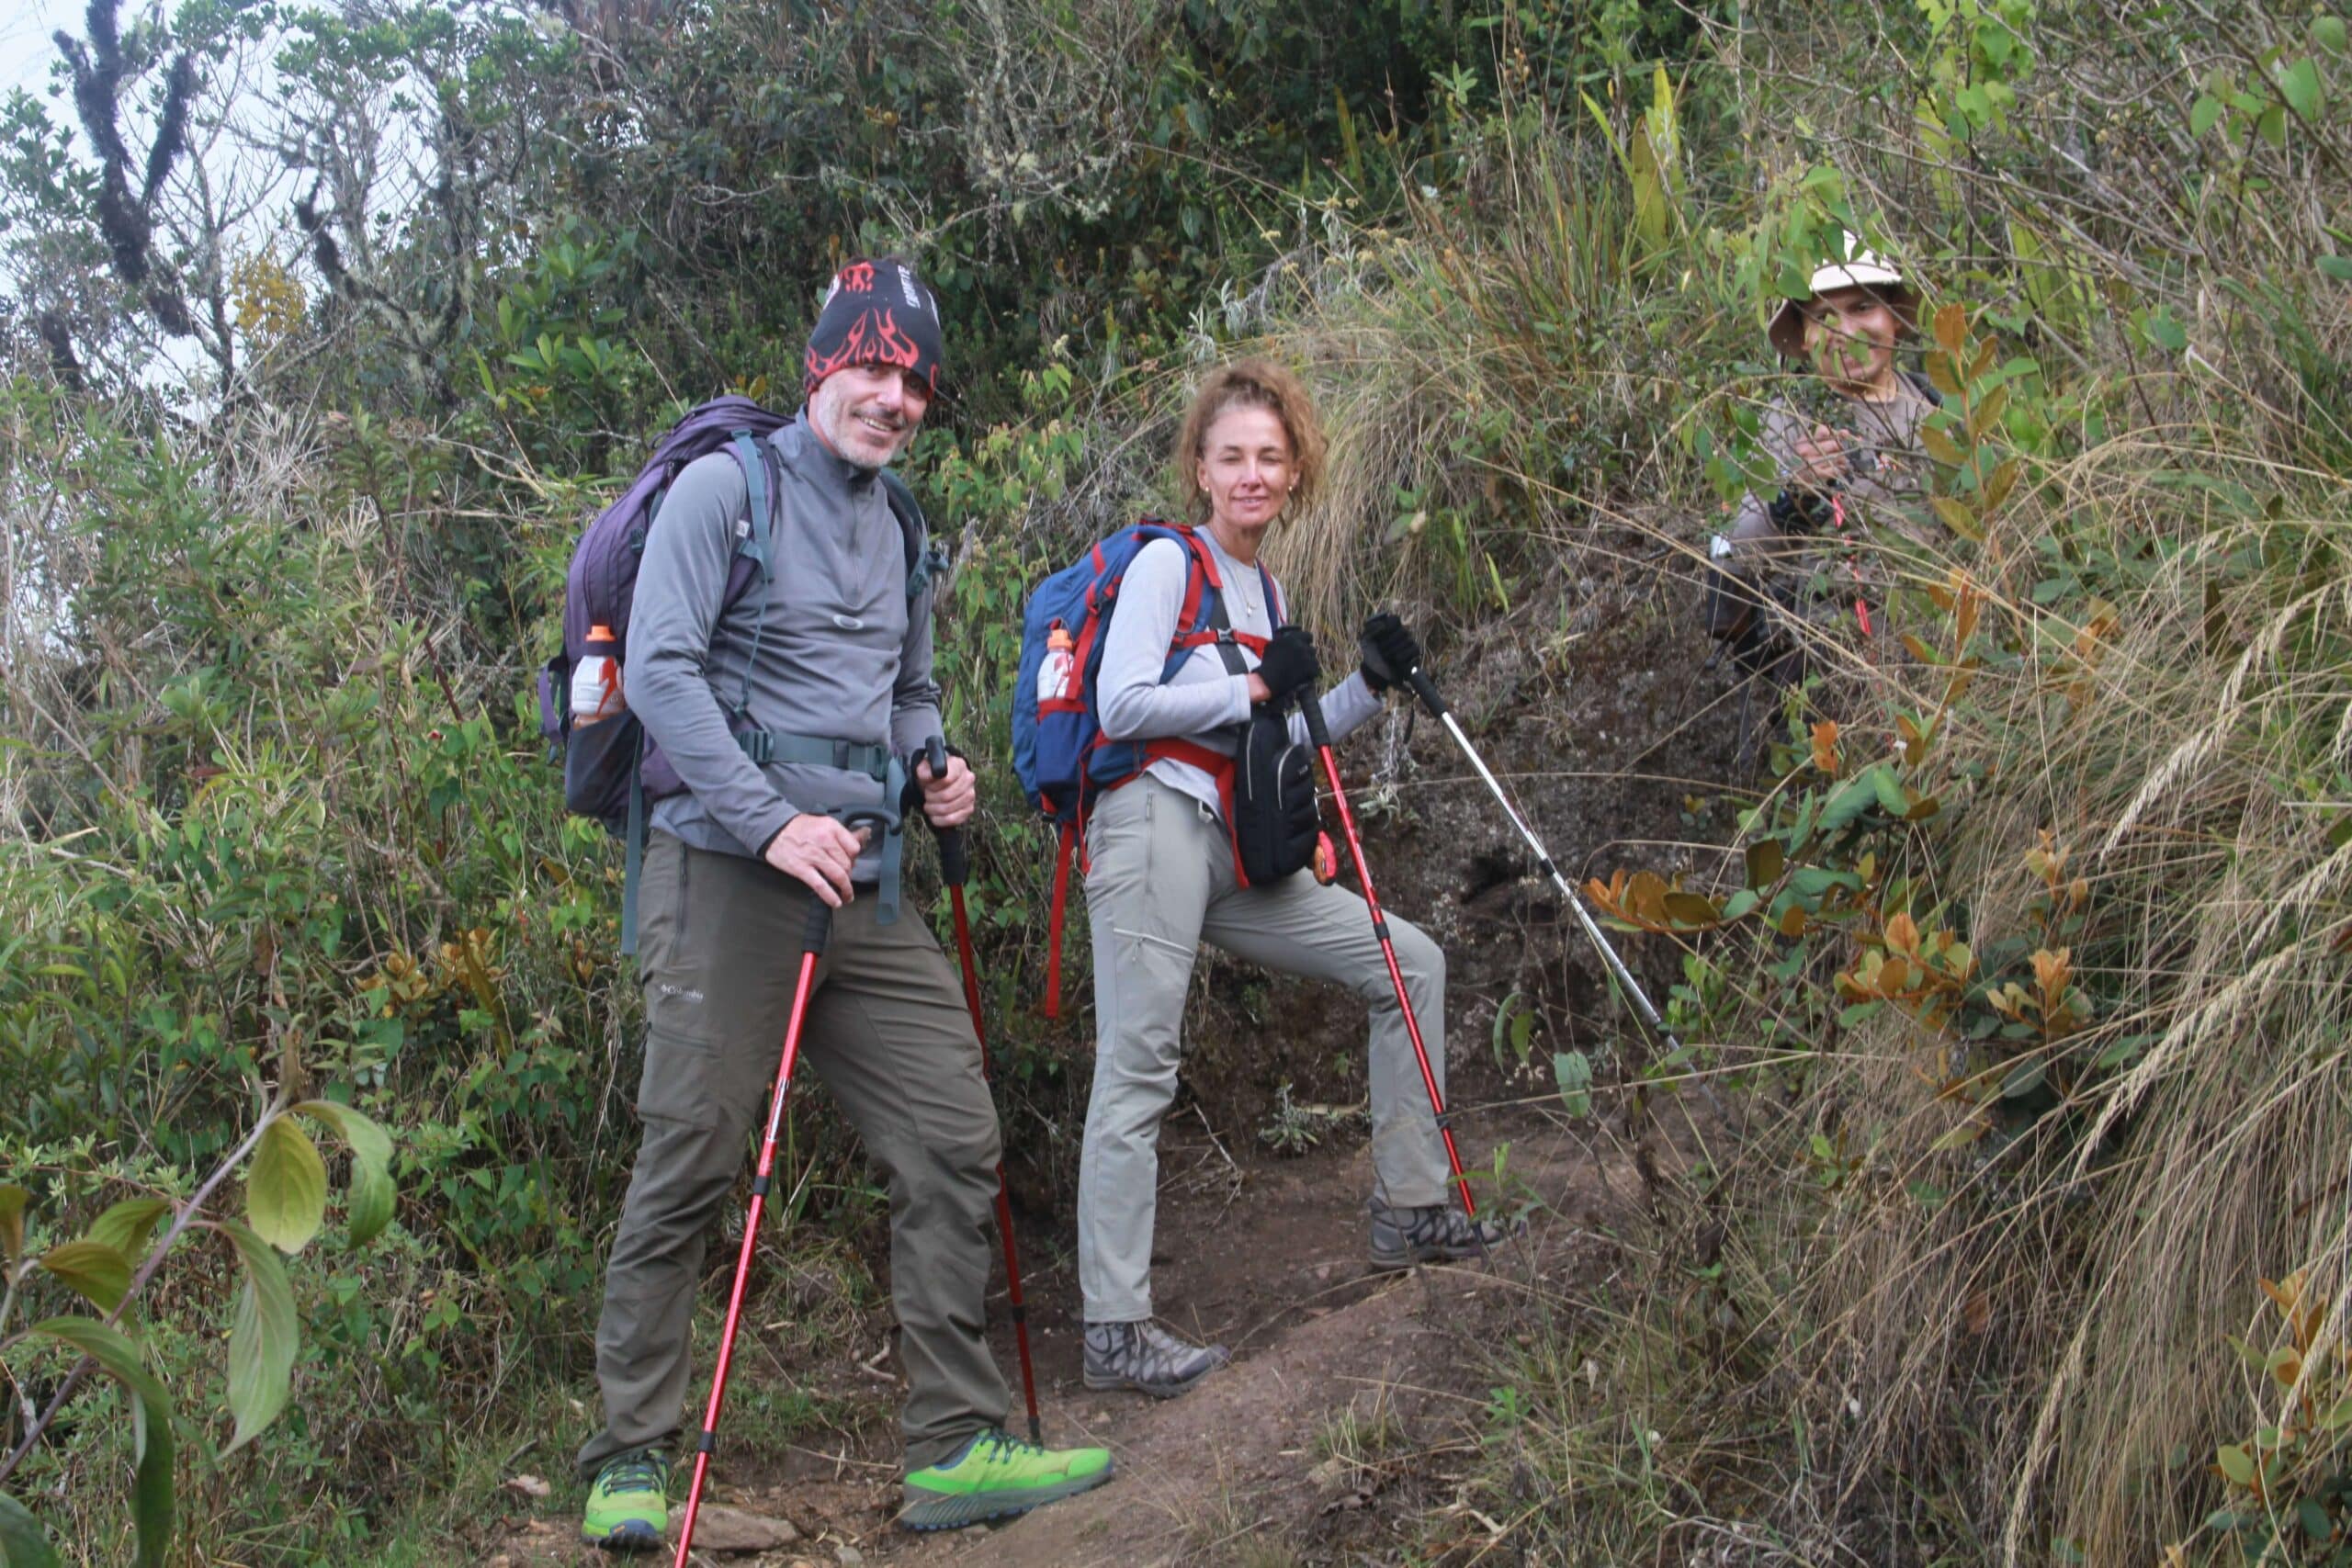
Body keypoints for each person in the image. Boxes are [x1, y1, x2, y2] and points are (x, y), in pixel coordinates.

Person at [576, 258, 1112, 1548]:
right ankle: (630, 1461)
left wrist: (933, 762)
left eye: (914, 378)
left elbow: (908, 686)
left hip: (865, 881)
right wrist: (773, 818)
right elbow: (658, 668)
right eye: (870, 368)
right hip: (721, 868)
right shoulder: (728, 490)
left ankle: (953, 1447)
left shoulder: (903, 521)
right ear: (822, 365)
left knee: (951, 1129)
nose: (893, 396)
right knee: (693, 1146)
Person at [1073, 359, 1509, 1401]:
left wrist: (1367, 684)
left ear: (1296, 467)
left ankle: (1411, 1206)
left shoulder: (1262, 588)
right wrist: (1253, 680)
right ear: (1200, 468)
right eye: (1233, 457)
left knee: (1406, 962)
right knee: (1138, 1065)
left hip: (1230, 844)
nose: (1253, 475)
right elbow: (1119, 702)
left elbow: (1280, 727)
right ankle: (1114, 1327)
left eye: (1271, 456)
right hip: (1150, 827)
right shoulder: (1166, 567)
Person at [1702, 231, 1942, 674]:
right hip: (1825, 672)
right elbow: (1732, 556)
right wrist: (1796, 496)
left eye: (1862, 307)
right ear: (1805, 337)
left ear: (1895, 317)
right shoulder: (1780, 422)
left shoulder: (1942, 410)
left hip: (1941, 657)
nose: (1845, 332)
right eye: (1824, 316)